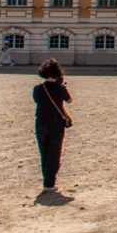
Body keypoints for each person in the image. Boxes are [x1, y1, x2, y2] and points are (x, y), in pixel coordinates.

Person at [32, 58, 74, 192]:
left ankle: (46, 179)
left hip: (41, 121)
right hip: (56, 122)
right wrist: (63, 88)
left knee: (44, 151)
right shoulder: (60, 88)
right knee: (54, 152)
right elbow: (69, 101)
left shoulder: (38, 88)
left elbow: (37, 101)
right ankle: (49, 182)